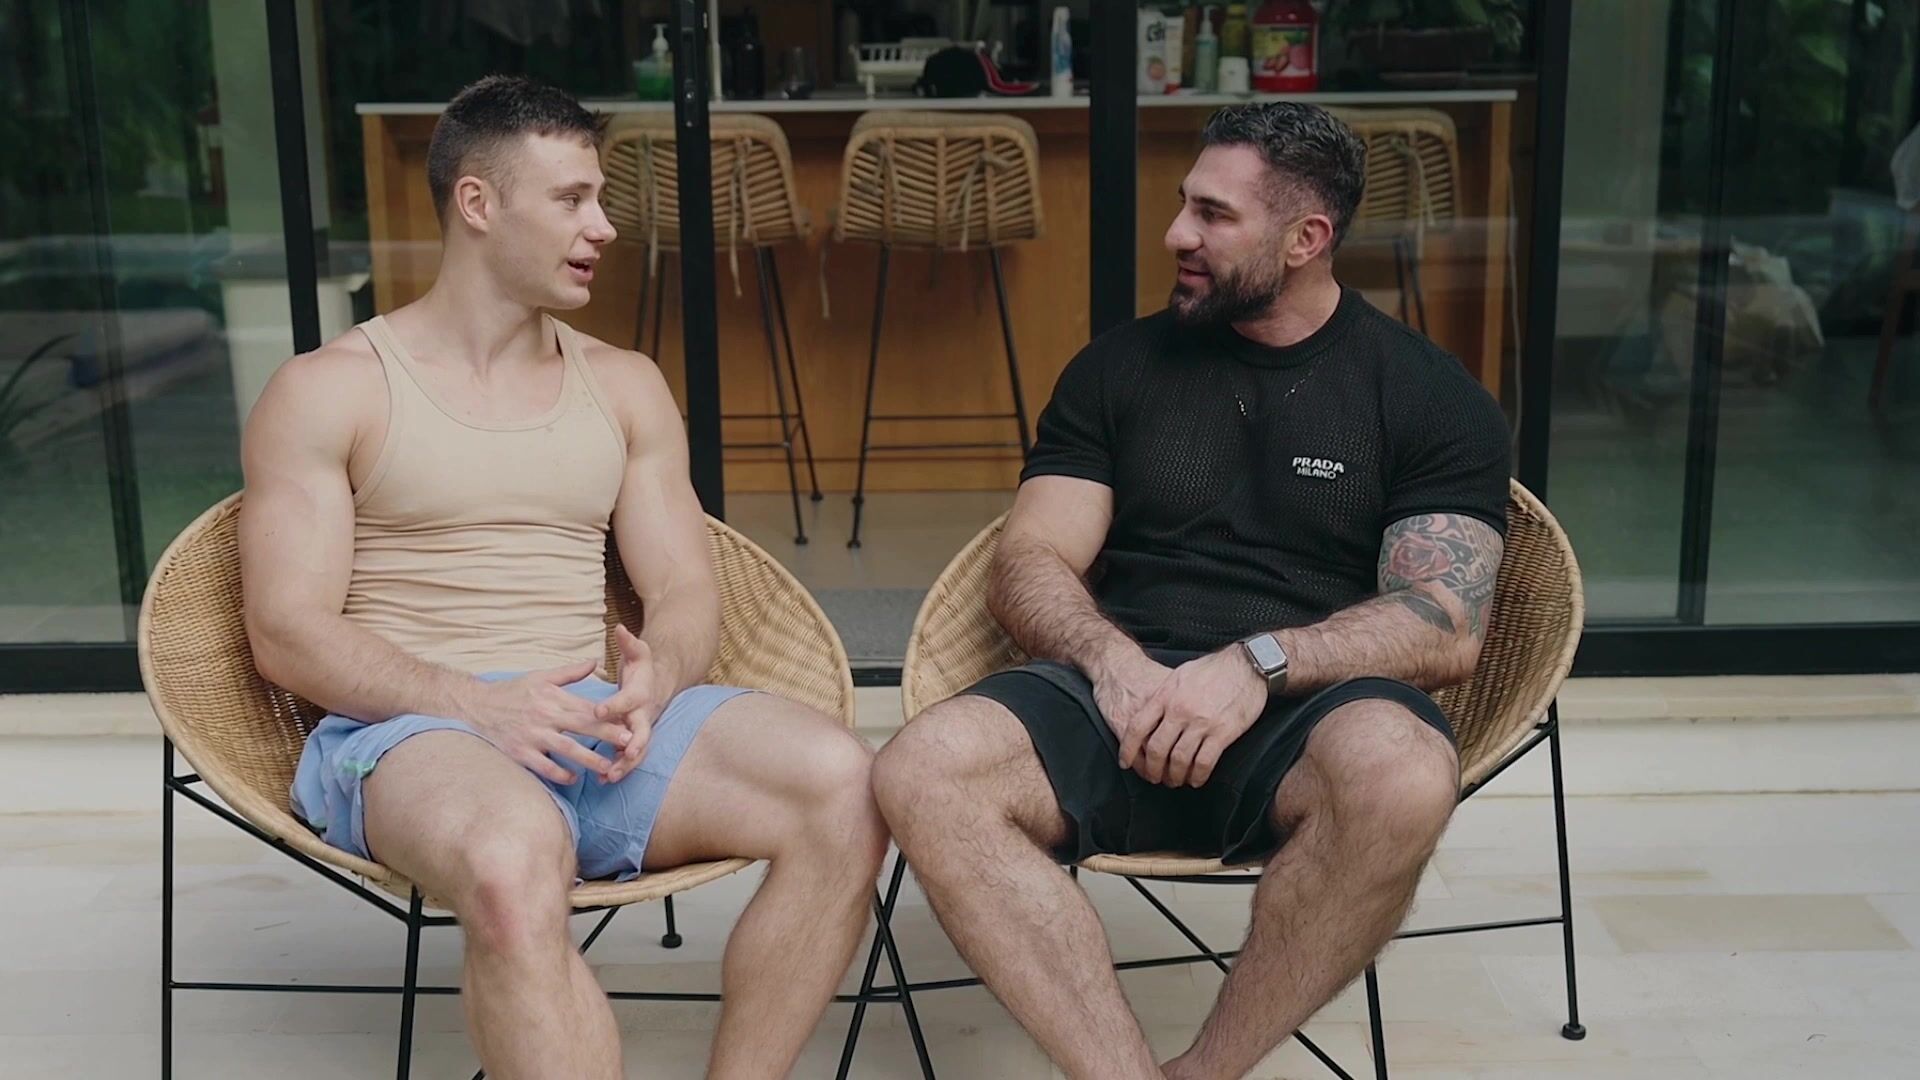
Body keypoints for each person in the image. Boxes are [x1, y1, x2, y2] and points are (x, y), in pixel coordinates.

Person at [238, 75, 885, 1080]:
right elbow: (286, 629)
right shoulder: (332, 389)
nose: (605, 227)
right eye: (572, 199)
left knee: (845, 786)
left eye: (601, 198)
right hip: (414, 731)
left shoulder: (624, 384)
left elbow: (684, 590)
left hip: (594, 720)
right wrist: (476, 704)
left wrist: (658, 677)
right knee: (509, 863)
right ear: (478, 203)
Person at [871, 102, 1511, 1079]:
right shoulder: (1117, 370)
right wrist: (1111, 661)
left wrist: (1259, 663)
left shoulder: (1428, 396)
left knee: (1405, 774)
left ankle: (1207, 1071)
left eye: (1213, 215)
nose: (1176, 234)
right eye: (1185, 205)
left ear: (1306, 239)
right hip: (1116, 692)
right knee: (921, 769)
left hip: (1306, 709)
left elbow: (1443, 622)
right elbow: (1028, 559)